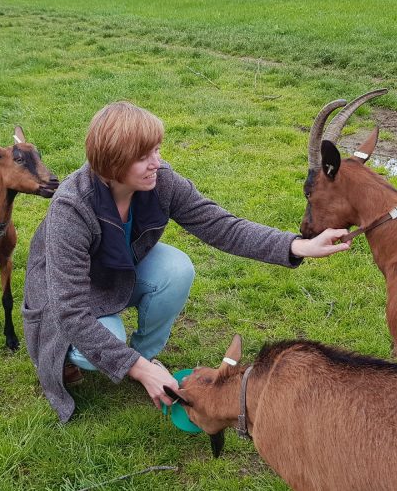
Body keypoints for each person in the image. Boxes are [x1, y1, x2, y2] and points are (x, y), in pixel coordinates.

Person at [22, 101, 350, 422]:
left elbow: (222, 226)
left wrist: (297, 245)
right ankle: (85, 357)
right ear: (112, 162)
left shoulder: (161, 181)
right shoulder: (72, 207)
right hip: (62, 300)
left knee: (176, 268)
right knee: (108, 339)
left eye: (156, 150)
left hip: (114, 275)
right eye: (143, 157)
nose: (156, 163)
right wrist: (133, 367)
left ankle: (146, 356)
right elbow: (69, 309)